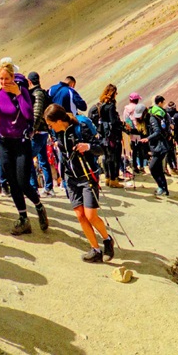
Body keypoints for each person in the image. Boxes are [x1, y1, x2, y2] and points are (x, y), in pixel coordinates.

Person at [43, 104, 115, 263]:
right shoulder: (56, 132)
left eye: (51, 123)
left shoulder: (81, 127)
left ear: (60, 120)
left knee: (91, 215)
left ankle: (107, 239)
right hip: (71, 178)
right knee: (80, 216)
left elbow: (103, 147)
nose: (49, 127)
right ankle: (95, 249)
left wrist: (87, 146)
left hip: (87, 175)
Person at [0, 62, 48, 235]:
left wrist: (18, 94)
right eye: (0, 79)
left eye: (6, 78)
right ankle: (23, 218)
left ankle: (39, 207)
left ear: (13, 78)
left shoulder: (23, 92)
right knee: (11, 181)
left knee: (23, 181)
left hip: (21, 142)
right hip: (3, 142)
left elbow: (28, 114)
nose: (3, 82)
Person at [92, 85, 125, 188]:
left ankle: (107, 178)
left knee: (106, 156)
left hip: (103, 134)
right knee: (114, 157)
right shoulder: (111, 106)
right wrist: (122, 125)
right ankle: (113, 180)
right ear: (112, 93)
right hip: (112, 135)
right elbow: (113, 122)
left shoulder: (101, 105)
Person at [27, 72, 53, 197]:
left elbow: (36, 114)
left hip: (38, 132)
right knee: (43, 160)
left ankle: (33, 188)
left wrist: (32, 130)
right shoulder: (42, 93)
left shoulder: (36, 94)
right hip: (43, 131)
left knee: (28, 157)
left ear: (29, 81)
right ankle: (48, 187)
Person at [145, 96, 172, 196]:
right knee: (158, 168)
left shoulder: (153, 116)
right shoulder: (162, 114)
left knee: (152, 167)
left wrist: (148, 138)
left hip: (159, 146)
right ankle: (164, 189)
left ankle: (161, 187)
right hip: (162, 145)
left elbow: (157, 131)